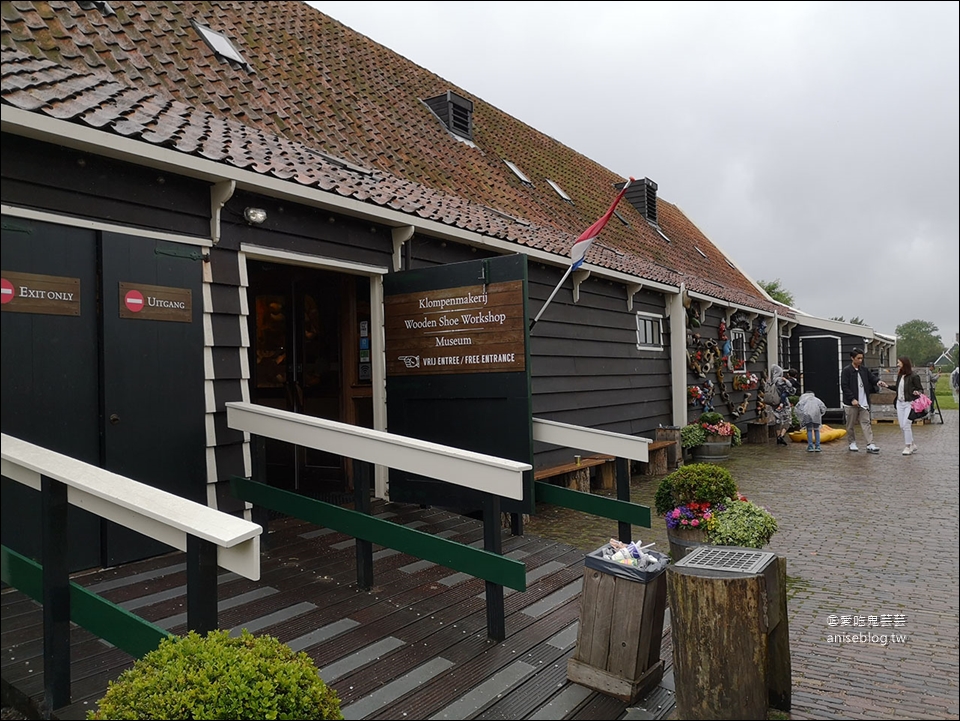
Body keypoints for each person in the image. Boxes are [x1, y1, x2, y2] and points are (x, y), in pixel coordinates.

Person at [839, 348, 884, 453]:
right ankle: (852, 442)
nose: (860, 360)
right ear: (852, 358)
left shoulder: (864, 369)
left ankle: (870, 443)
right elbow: (844, 386)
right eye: (858, 358)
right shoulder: (846, 371)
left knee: (866, 422)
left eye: (861, 358)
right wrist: (852, 399)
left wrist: (878, 382)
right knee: (850, 424)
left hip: (863, 402)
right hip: (851, 403)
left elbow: (872, 378)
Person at [890, 356, 924, 455]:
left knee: (906, 424)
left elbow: (920, 389)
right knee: (902, 426)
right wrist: (887, 386)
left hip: (910, 403)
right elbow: (897, 388)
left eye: (899, 363)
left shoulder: (914, 376)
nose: (897, 364)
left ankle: (907, 446)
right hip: (900, 403)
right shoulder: (900, 376)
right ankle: (913, 444)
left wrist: (917, 392)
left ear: (904, 364)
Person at [767, 365, 793, 446]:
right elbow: (790, 390)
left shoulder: (769, 380)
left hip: (774, 403)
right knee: (787, 420)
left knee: (777, 421)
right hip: (783, 403)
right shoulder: (780, 380)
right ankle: (781, 436)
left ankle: (778, 437)